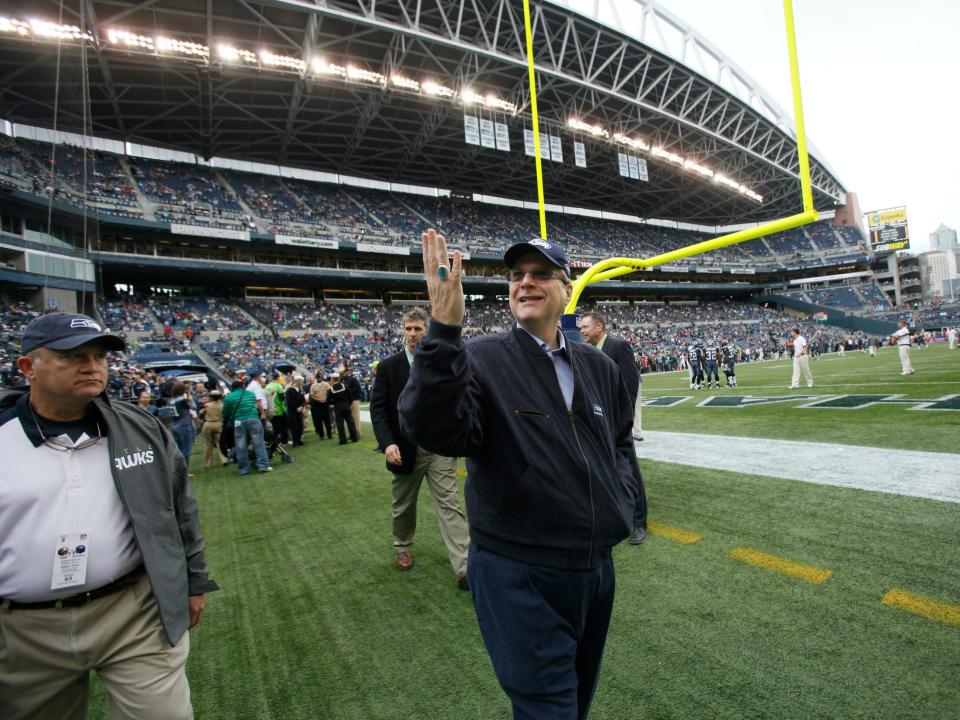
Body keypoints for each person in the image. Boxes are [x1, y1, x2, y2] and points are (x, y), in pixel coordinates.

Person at [399, 230, 639, 720]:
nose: (525, 283)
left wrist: (623, 503)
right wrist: (443, 332)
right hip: (519, 571)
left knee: (574, 702)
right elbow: (432, 426)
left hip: (594, 571)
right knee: (548, 711)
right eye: (516, 275)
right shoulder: (482, 358)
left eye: (540, 274)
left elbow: (617, 444)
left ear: (566, 289)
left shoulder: (598, 366)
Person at [0, 311, 217, 719]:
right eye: (72, 356)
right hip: (23, 627)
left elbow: (180, 507)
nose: (92, 366)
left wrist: (194, 577)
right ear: (28, 366)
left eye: (100, 356)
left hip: (132, 607)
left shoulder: (140, 427)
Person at [370, 306, 470, 588]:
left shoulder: (441, 362)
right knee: (403, 506)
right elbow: (378, 410)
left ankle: (464, 566)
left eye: (418, 329)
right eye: (408, 329)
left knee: (450, 504)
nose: (412, 334)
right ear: (403, 331)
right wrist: (387, 443)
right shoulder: (389, 367)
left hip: (439, 447)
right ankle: (402, 546)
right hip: (404, 448)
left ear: (427, 331)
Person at [579, 311, 648, 544]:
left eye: (585, 326)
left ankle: (639, 522)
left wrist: (622, 422)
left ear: (600, 327)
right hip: (598, 424)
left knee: (629, 470)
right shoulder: (586, 351)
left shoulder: (619, 346)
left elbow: (630, 386)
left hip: (616, 423)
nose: (581, 331)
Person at [222, 380, 272, 474]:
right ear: (243, 386)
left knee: (241, 446)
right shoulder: (250, 394)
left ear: (232, 388)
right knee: (259, 444)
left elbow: (226, 413)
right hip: (254, 419)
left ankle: (244, 469)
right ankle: (263, 465)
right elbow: (255, 405)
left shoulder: (228, 397)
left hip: (239, 422)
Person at [168, 382, 197, 473]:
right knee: (186, 449)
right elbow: (194, 407)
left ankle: (177, 469)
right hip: (184, 425)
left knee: (179, 449)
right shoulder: (183, 401)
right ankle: (184, 470)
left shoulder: (170, 401)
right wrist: (190, 398)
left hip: (174, 425)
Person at [329, 371, 358, 444]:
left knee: (340, 424)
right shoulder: (345, 386)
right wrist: (348, 404)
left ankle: (343, 440)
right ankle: (354, 438)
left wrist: (334, 403)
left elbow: (328, 401)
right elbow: (350, 397)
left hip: (338, 408)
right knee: (350, 422)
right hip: (346, 406)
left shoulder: (330, 390)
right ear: (338, 379)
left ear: (332, 379)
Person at [200, 389, 227, 468]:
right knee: (220, 443)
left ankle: (208, 463)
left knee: (208, 444)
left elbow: (201, 412)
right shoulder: (222, 405)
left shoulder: (207, 405)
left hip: (208, 424)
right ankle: (224, 459)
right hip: (219, 423)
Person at [264, 370, 288, 445]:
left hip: (271, 410)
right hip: (279, 410)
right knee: (283, 427)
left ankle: (274, 443)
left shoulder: (267, 386)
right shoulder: (278, 386)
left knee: (274, 428)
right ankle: (284, 441)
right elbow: (282, 398)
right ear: (278, 378)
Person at [309, 373, 334, 439]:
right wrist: (317, 399)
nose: (320, 379)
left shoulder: (326, 384)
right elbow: (312, 395)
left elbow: (329, 392)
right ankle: (321, 436)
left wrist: (327, 399)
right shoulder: (313, 386)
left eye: (321, 377)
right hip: (318, 404)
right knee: (319, 421)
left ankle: (329, 435)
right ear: (316, 378)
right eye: (318, 378)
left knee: (327, 420)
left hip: (325, 404)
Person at [285, 375, 306, 446]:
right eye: (300, 381)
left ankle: (299, 440)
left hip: (299, 410)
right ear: (296, 381)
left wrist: (301, 406)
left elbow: (303, 400)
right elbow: (289, 402)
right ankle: (295, 441)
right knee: (294, 426)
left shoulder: (301, 389)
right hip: (292, 411)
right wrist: (296, 408)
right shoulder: (289, 390)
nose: (301, 382)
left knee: (300, 425)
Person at [343, 365, 363, 440]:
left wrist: (348, 391)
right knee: (349, 418)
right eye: (342, 373)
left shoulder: (352, 379)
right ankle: (351, 433)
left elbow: (357, 388)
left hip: (354, 400)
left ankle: (358, 433)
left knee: (356, 417)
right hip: (346, 401)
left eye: (344, 372)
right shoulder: (342, 380)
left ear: (347, 372)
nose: (343, 374)